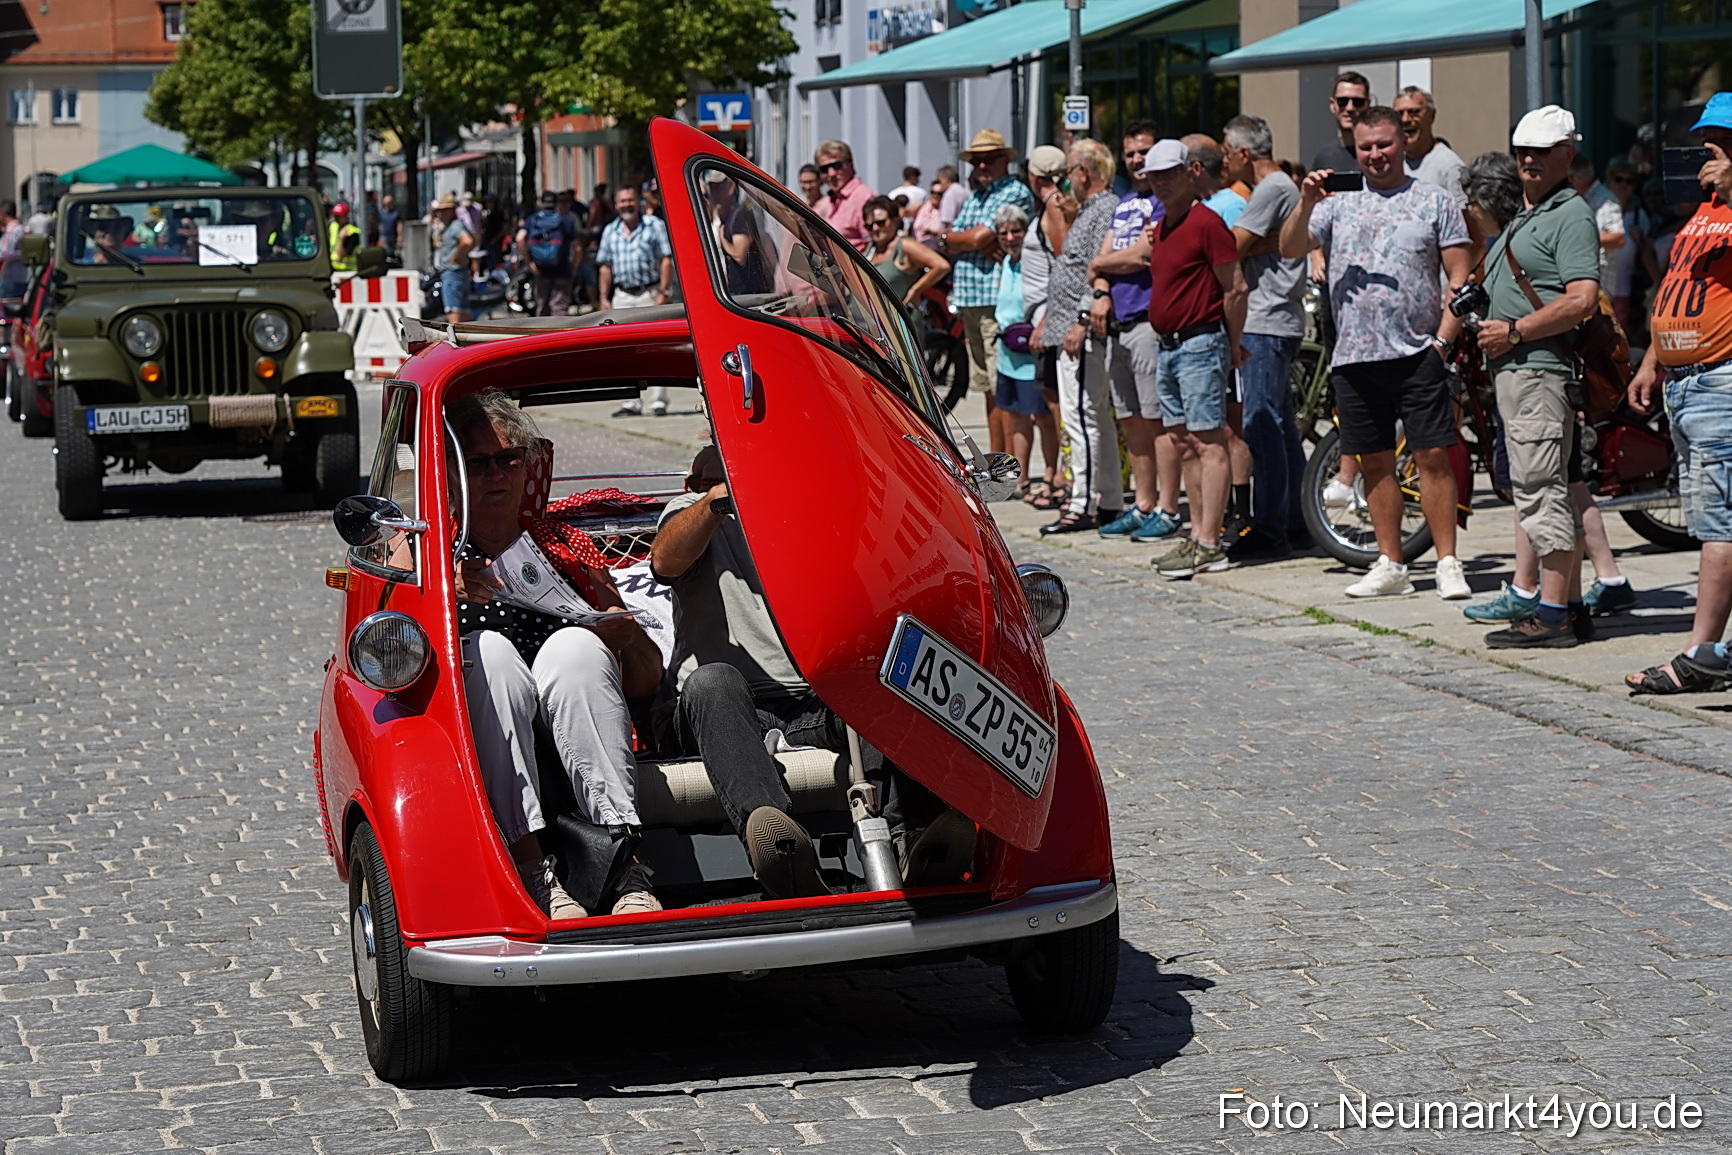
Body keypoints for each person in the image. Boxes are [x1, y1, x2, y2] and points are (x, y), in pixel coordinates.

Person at [649, 447, 964, 897]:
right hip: (728, 711)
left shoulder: (805, 514)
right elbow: (665, 560)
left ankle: (911, 841)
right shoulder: (690, 512)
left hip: (818, 702)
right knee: (711, 681)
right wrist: (719, 499)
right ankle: (776, 843)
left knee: (884, 668)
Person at [448, 389, 662, 920]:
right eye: (477, 464)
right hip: (477, 721)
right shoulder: (431, 553)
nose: (494, 475)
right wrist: (439, 595)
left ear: (528, 467)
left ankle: (622, 860)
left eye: (508, 460)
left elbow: (645, 678)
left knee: (576, 647)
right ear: (451, 473)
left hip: (574, 710)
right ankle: (532, 869)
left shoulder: (565, 546)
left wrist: (622, 630)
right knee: (490, 651)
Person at [1279, 104, 1474, 600]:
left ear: (1403, 143)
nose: (1375, 155)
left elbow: (1460, 277)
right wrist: (1305, 201)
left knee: (1432, 456)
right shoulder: (1336, 203)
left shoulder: (1433, 200)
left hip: (1418, 351)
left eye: (1384, 144)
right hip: (1355, 355)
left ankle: (1449, 562)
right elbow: (1288, 247)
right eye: (1365, 147)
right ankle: (1392, 563)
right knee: (1375, 462)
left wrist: (1442, 342)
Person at [1460, 149, 1639, 634]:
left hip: (1536, 374)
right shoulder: (1528, 222)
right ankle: (1573, 606)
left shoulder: (1566, 214)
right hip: (1525, 374)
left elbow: (1579, 299)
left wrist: (1513, 331)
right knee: (1551, 489)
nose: (1528, 164)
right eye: (1523, 155)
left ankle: (1553, 614)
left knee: (1542, 494)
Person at [1624, 93, 1732, 692]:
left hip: (1721, 379)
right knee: (1709, 520)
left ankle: (1700, 654)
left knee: (1721, 523)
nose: (1708, 148)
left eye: (1720, 138)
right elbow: (1679, 286)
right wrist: (1652, 361)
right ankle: (1711, 652)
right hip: (1685, 381)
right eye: (1706, 137)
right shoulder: (1705, 207)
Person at [1129, 138, 1249, 579]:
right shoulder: (1161, 226)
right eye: (1153, 176)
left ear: (1190, 172)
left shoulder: (1207, 222)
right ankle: (1199, 535)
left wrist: (1231, 344)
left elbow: (1234, 287)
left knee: (1208, 441)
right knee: (1184, 442)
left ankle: (1209, 541)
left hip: (1200, 342)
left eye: (1169, 174)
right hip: (1169, 345)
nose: (1160, 183)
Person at [1087, 120, 1184, 544]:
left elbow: (1146, 255)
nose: (1137, 160)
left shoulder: (1162, 203)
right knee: (1130, 420)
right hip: (1117, 322)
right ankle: (1142, 503)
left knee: (1156, 418)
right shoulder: (1124, 203)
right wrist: (1100, 289)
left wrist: (1104, 264)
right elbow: (1102, 258)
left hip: (1148, 319)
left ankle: (1168, 506)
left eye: (1143, 152)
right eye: (1130, 153)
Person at [1222, 113, 1309, 561]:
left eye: (1226, 151)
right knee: (1281, 426)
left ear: (1243, 153)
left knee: (1262, 424)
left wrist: (1255, 242)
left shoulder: (1272, 188)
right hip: (1277, 318)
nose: (1224, 160)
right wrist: (1265, 241)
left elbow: (1231, 244)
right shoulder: (1278, 190)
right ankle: (1296, 518)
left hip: (1266, 319)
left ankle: (1271, 523)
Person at [1037, 138, 1125, 535]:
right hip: (1076, 326)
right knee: (1094, 417)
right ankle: (1107, 499)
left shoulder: (1102, 209)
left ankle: (1082, 502)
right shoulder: (1093, 210)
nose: (1065, 180)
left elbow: (1096, 270)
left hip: (1081, 330)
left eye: (1068, 172)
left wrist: (1080, 320)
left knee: (1081, 417)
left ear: (1084, 173)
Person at [937, 129, 1037, 455]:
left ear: (1005, 160)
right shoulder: (976, 197)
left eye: (989, 159)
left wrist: (964, 240)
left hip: (995, 299)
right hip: (969, 297)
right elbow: (948, 238)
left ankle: (1006, 462)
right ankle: (997, 459)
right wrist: (960, 240)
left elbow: (978, 238)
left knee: (1000, 383)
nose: (981, 166)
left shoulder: (1015, 191)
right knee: (986, 385)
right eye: (977, 161)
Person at [1021, 144, 1071, 509]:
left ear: (1033, 176)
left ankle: (1067, 479)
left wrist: (1048, 321)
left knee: (1058, 405)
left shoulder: (1053, 203)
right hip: (1044, 314)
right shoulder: (1054, 201)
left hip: (1049, 317)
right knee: (1051, 403)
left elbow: (1062, 262)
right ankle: (1062, 476)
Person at [597, 185, 674, 415]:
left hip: (649, 293)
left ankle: (658, 400)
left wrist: (663, 292)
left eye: (630, 200)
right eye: (622, 201)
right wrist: (603, 297)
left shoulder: (654, 226)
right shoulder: (610, 230)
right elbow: (605, 266)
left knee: (655, 347)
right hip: (622, 295)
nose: (626, 205)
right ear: (616, 204)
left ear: (637, 201)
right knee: (625, 351)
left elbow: (666, 259)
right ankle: (631, 401)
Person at [992, 205, 1048, 495]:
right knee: (1016, 416)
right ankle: (1022, 477)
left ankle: (1051, 474)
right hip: (1007, 352)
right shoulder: (1006, 263)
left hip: (1029, 348)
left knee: (1042, 416)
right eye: (1003, 232)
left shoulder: (1032, 260)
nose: (1010, 237)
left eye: (1016, 231)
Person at [862, 195, 948, 306]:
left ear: (895, 221)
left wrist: (915, 290)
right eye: (869, 226)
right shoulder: (870, 248)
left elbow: (941, 266)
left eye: (880, 223)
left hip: (900, 320)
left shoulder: (904, 245)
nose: (875, 228)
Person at [1394, 87, 1466, 210]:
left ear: (1432, 115)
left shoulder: (1450, 167)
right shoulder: (1394, 162)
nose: (1405, 119)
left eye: (1414, 112)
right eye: (1399, 114)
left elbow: (1465, 219)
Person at [1569, 153, 1627, 291]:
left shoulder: (1605, 201)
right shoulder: (1581, 198)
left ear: (1572, 178)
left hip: (1599, 285)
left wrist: (1582, 238)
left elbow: (1618, 238)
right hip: (1581, 279)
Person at [518, 189, 579, 318]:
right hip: (562, 269)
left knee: (541, 307)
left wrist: (529, 263)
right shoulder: (565, 221)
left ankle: (543, 336)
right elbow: (577, 248)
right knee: (560, 309)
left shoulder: (532, 220)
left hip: (540, 270)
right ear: (556, 203)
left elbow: (519, 238)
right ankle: (560, 336)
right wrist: (573, 267)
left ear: (541, 203)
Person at [814, 140, 874, 252]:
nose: (831, 174)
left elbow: (872, 247)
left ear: (850, 165)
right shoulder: (833, 199)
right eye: (824, 169)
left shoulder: (863, 198)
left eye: (837, 166)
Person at [1313, 72, 1373, 174]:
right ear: (1332, 105)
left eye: (1358, 102)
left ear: (1368, 104)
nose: (1350, 108)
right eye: (1343, 101)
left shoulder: (1381, 154)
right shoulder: (1324, 157)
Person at [431, 193, 474, 323]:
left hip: (452, 273)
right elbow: (474, 239)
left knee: (453, 314)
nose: (441, 213)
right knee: (464, 313)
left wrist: (455, 257)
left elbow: (467, 241)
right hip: (459, 273)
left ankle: (454, 343)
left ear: (451, 210)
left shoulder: (455, 226)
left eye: (444, 210)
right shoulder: (455, 225)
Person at [327, 202, 361, 272]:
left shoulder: (352, 233)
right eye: (335, 216)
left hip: (347, 271)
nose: (336, 219)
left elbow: (341, 257)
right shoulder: (333, 226)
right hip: (333, 269)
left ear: (346, 216)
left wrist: (341, 239)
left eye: (339, 216)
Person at [912, 180, 947, 245]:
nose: (935, 196)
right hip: (917, 247)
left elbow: (948, 232)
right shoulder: (921, 207)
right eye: (933, 192)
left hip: (934, 250)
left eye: (939, 194)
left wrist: (933, 233)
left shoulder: (945, 211)